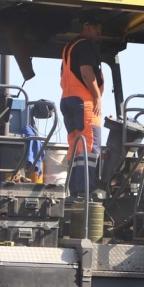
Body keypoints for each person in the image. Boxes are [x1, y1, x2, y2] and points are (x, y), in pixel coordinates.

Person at [60, 15, 104, 195]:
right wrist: (97, 97)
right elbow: (87, 73)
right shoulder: (85, 45)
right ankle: (85, 192)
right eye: (96, 27)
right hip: (84, 103)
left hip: (67, 100)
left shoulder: (68, 48)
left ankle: (74, 189)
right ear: (86, 26)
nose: (99, 31)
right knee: (90, 146)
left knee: (75, 146)